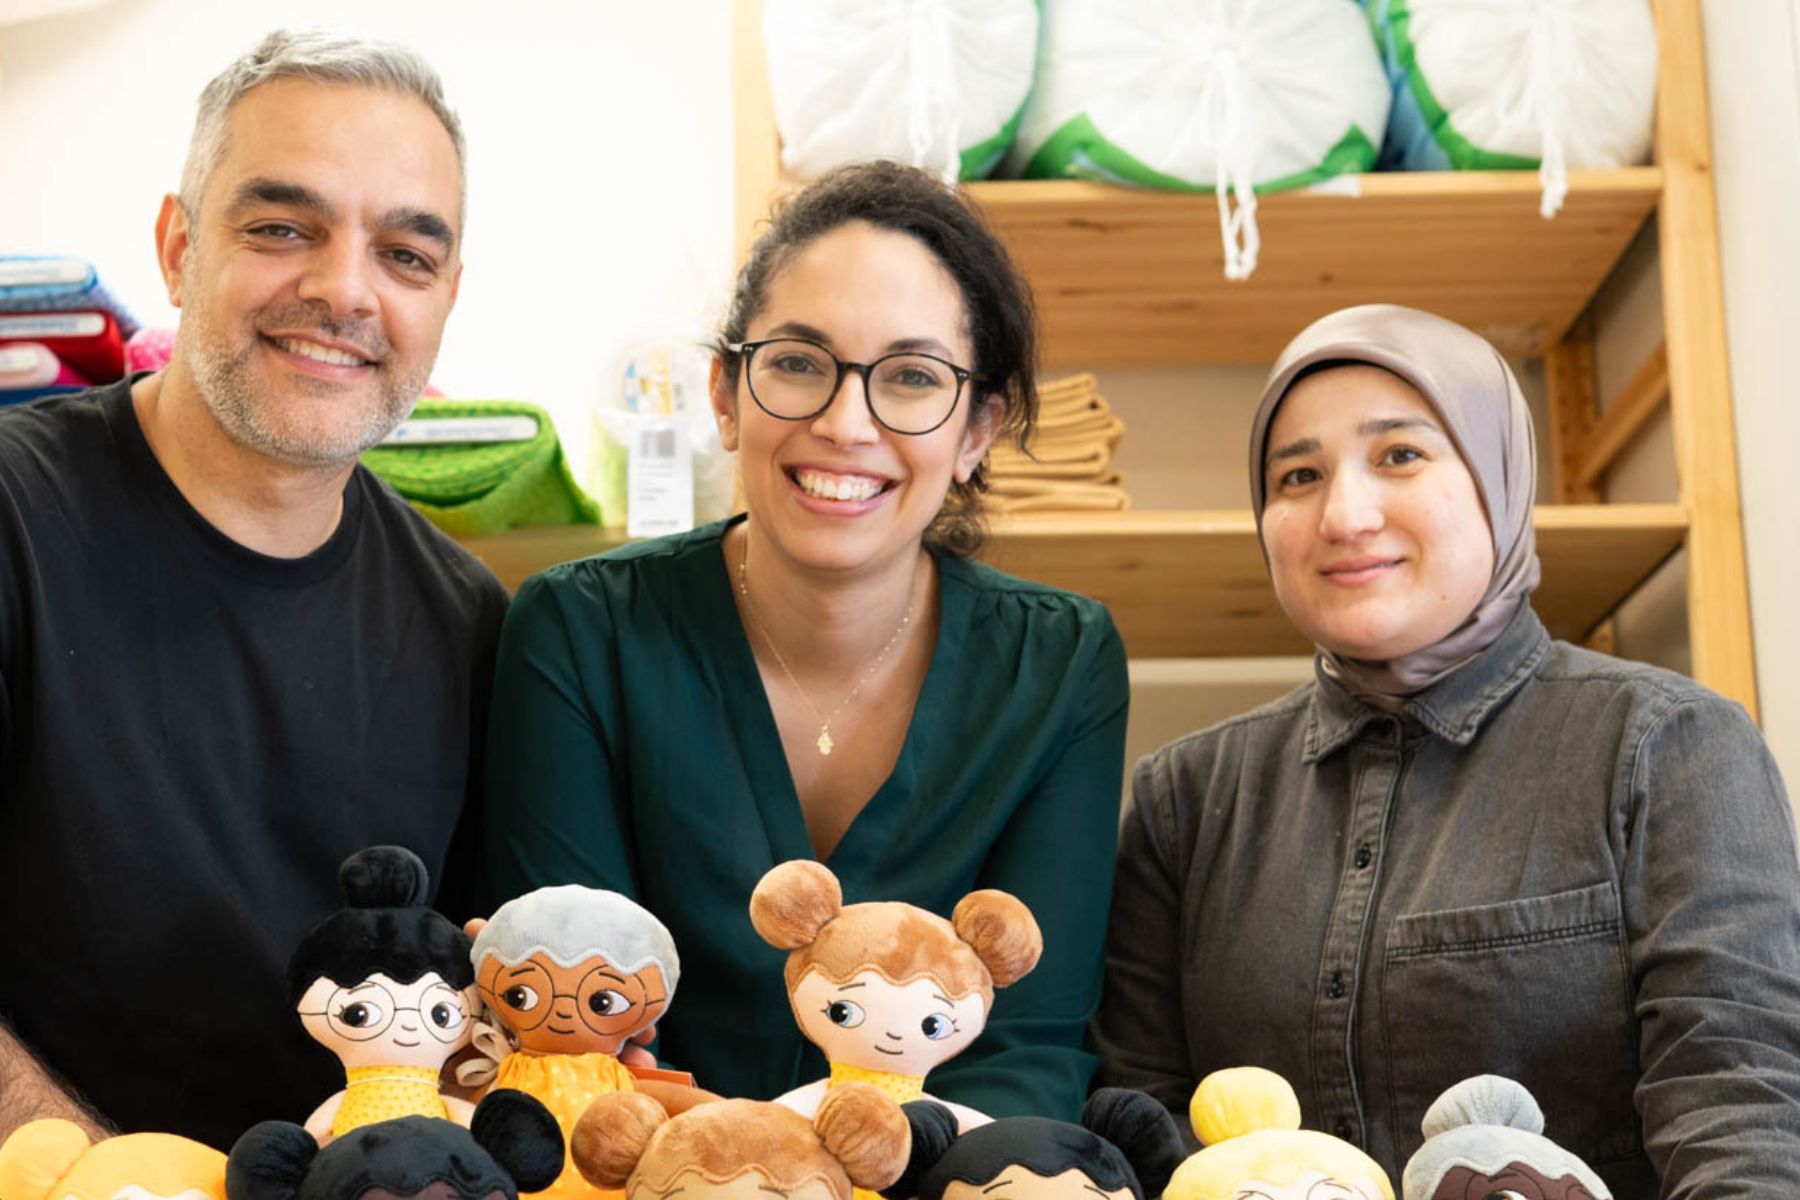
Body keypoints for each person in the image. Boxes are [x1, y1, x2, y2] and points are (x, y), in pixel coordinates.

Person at [1094, 304, 1800, 1198]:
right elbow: (1144, 1136)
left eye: (1400, 455)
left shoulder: (1667, 745)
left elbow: (1740, 1108)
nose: (1345, 514)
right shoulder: (1184, 801)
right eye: (1299, 474)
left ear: (1498, 478)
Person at [475, 160, 1128, 1121]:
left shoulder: (1059, 666)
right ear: (726, 394)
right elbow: (568, 1024)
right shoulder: (579, 633)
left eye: (911, 378)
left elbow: (1025, 1048)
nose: (844, 422)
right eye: (796, 362)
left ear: (978, 430)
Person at [0, 30, 508, 1148]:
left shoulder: (471, 624)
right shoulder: (15, 519)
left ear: (446, 298)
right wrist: (98, 1178)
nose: (343, 291)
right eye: (282, 228)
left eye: (406, 256)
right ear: (179, 247)